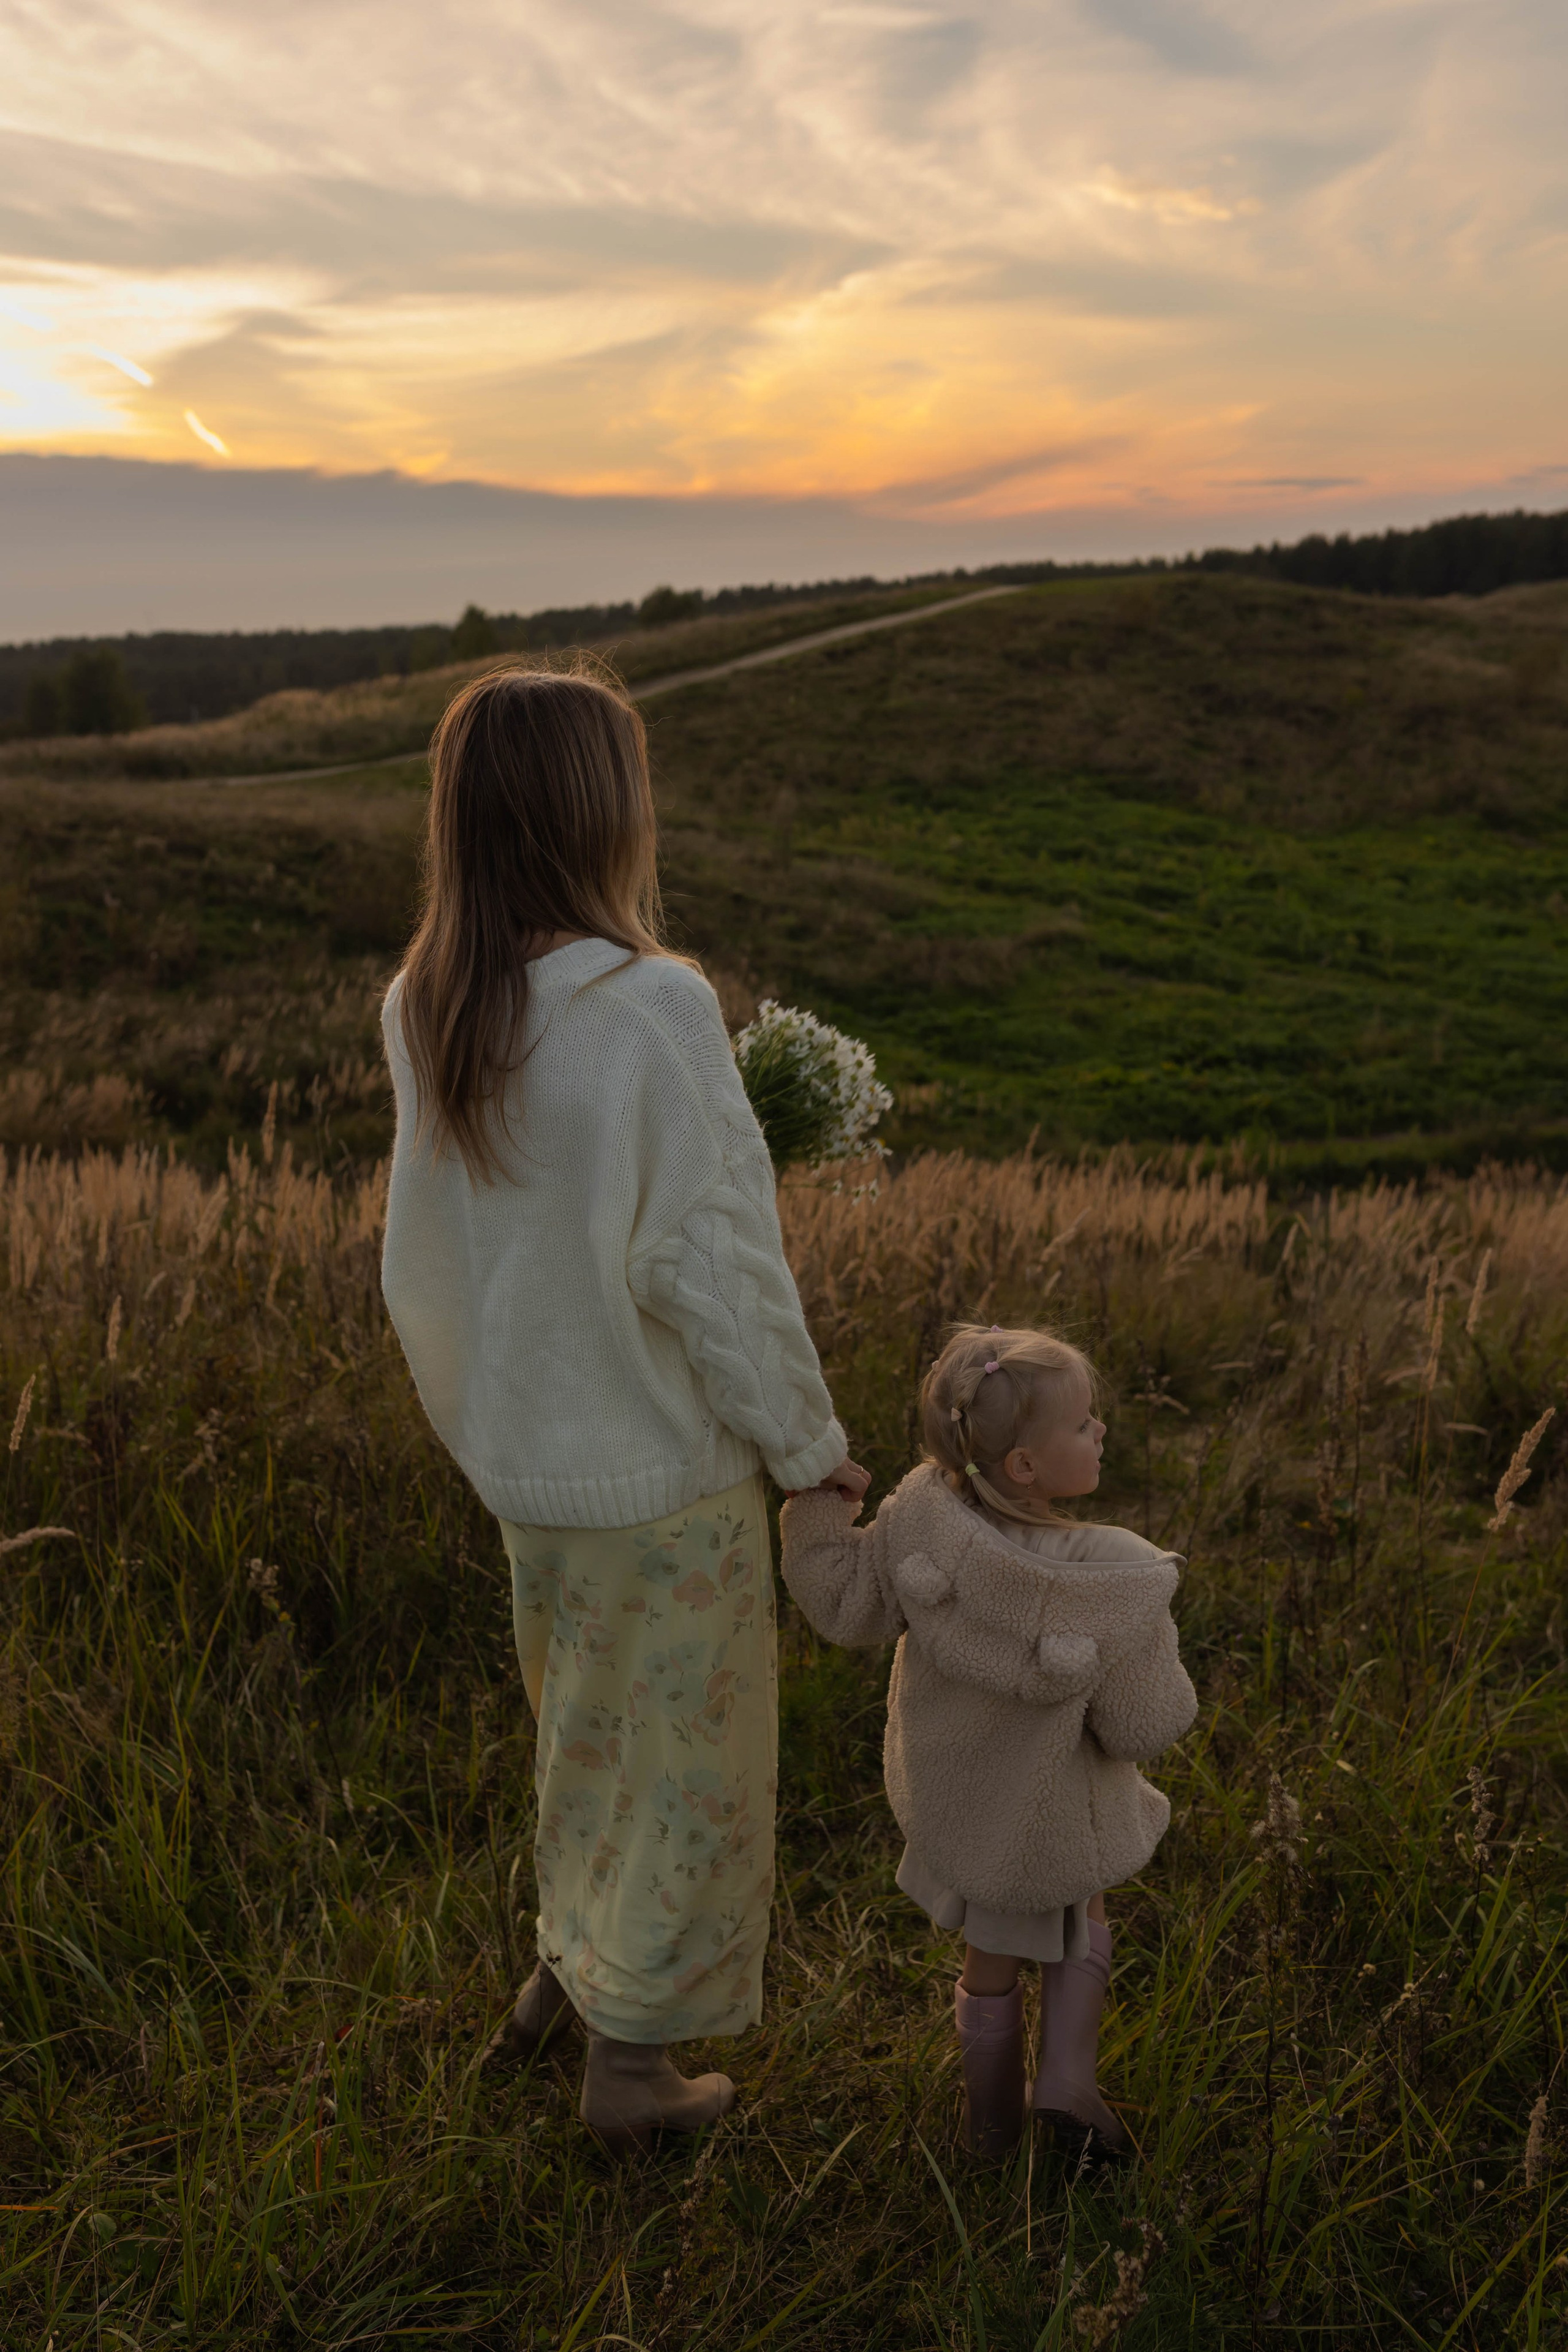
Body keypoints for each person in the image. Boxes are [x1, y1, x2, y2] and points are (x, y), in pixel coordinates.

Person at [380, 663, 866, 2157]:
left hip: (533, 1476)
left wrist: (493, 1434)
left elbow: (433, 1258)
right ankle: (634, 2073)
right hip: (663, 1480)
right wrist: (810, 1452)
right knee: (687, 1775)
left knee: (581, 1735)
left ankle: (561, 1976)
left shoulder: (431, 1004)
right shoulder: (651, 1006)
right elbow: (715, 1267)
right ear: (607, 813)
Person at [779, 1324, 1196, 2162]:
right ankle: (1069, 2085)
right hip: (1059, 1821)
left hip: (963, 1807)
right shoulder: (1115, 1586)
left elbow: (843, 1604)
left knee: (990, 1958)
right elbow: (1144, 1725)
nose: (1101, 1431)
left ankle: (991, 2129)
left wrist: (817, 1514)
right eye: (1082, 1425)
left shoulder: (920, 1521)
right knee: (1082, 1915)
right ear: (1026, 1468)